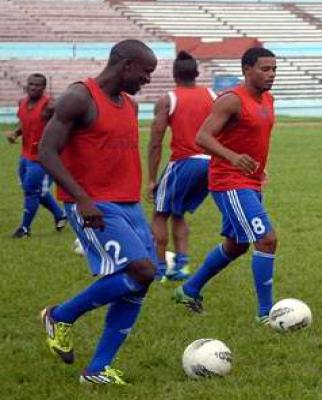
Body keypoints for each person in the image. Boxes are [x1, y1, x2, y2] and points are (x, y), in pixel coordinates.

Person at [37, 39, 158, 384]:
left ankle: (98, 368)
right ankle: (61, 316)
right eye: (145, 72)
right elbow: (46, 151)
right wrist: (81, 198)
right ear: (126, 65)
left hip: (128, 204)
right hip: (92, 203)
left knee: (141, 282)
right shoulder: (80, 97)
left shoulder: (130, 106)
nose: (147, 80)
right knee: (142, 270)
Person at [173, 47, 279, 325]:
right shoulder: (231, 100)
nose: (271, 74)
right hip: (229, 182)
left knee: (236, 245)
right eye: (265, 69)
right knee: (267, 239)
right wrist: (234, 158)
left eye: (274, 69)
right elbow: (202, 137)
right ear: (247, 69)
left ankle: (189, 289)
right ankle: (266, 314)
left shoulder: (268, 99)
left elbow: (251, 138)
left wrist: (258, 167)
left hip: (250, 181)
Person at [147, 51, 215, 281]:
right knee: (178, 213)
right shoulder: (213, 96)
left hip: (184, 162)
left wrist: (151, 179)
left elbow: (156, 142)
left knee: (159, 213)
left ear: (174, 74)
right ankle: (182, 266)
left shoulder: (169, 99)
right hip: (210, 164)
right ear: (197, 73)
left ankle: (158, 269)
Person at [5, 73, 67, 238]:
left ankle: (24, 229)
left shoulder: (50, 106)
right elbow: (25, 123)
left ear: (44, 88)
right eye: (31, 84)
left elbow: (64, 126)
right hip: (25, 155)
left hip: (43, 157)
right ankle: (60, 215)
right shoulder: (22, 102)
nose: (33, 87)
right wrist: (15, 133)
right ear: (27, 85)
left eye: (37, 85)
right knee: (31, 188)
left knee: (31, 191)